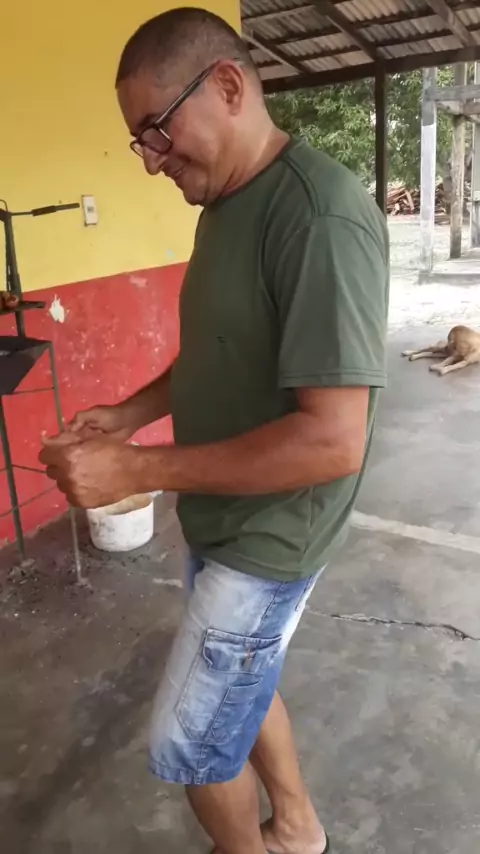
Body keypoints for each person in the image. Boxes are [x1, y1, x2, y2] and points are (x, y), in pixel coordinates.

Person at [40, 8, 389, 854]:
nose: (150, 159)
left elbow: (333, 441)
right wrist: (128, 414)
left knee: (193, 744)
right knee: (242, 682)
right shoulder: (227, 204)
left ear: (228, 86)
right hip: (223, 516)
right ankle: (296, 828)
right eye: (140, 141)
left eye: (157, 130)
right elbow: (218, 351)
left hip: (273, 534)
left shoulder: (319, 218)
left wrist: (138, 470)